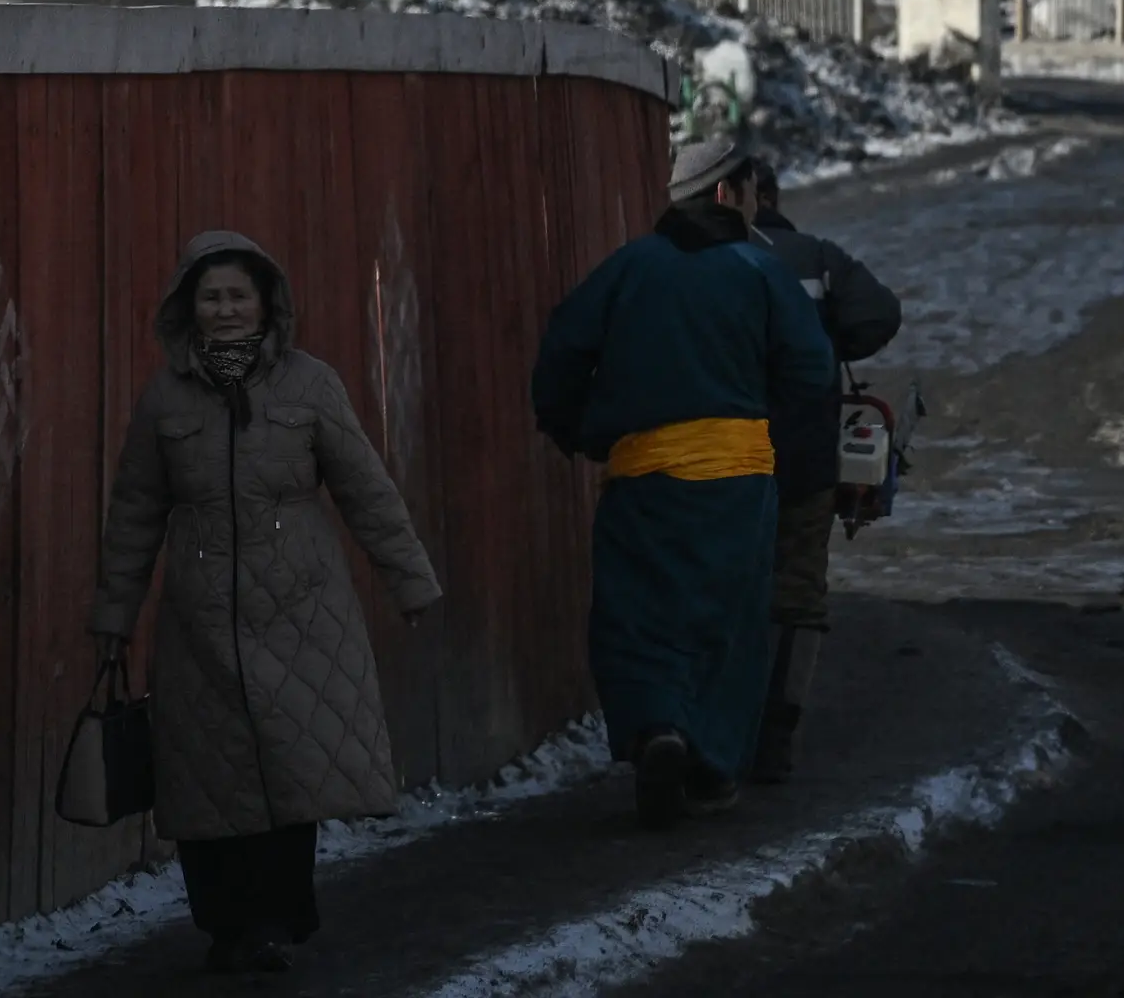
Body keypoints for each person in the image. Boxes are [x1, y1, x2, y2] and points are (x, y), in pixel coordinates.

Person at [90, 231, 443, 976]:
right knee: (204, 778)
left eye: (236, 296)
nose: (223, 310)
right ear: (189, 307)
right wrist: (114, 616)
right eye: (210, 297)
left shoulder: (311, 386)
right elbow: (134, 514)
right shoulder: (165, 399)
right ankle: (225, 925)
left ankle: (276, 921)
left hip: (301, 611)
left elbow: (365, 489)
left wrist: (410, 581)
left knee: (289, 769)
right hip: (199, 620)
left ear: (265, 305)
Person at [531, 131, 836, 828]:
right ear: (729, 194)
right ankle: (710, 765)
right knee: (727, 624)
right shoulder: (759, 274)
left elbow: (563, 350)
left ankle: (655, 730)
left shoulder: (629, 266)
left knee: (637, 615)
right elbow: (812, 372)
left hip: (643, 476)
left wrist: (574, 428)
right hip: (738, 483)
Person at [742, 165, 902, 784]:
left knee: (725, 578)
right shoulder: (815, 257)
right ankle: (778, 731)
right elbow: (880, 315)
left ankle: (716, 721)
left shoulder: (692, 258)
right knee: (800, 584)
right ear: (773, 198)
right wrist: (830, 344)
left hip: (718, 452)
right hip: (805, 450)